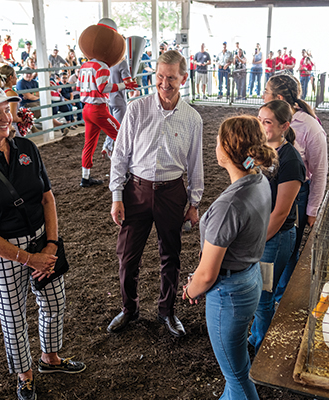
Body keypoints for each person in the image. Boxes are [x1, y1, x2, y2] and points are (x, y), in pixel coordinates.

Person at [0, 82, 86, 400]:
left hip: (42, 243)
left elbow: (47, 198)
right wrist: (30, 259)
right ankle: (24, 374)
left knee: (54, 303)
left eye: (6, 109)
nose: (5, 117)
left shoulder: (27, 148)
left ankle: (50, 358)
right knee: (13, 317)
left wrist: (51, 246)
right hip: (2, 254)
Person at [107, 50, 203, 338]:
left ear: (183, 78)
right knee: (127, 256)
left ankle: (167, 311)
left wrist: (194, 202)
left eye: (171, 77)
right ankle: (128, 308)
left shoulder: (192, 119)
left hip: (172, 191)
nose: (165, 83)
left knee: (171, 255)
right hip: (135, 190)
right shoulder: (137, 109)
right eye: (160, 76)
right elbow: (120, 155)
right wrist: (117, 195)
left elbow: (195, 163)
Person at [182, 115, 276, 399]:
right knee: (236, 362)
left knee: (236, 374)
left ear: (225, 150)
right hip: (248, 279)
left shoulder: (230, 204)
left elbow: (208, 273)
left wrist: (191, 289)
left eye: (217, 141)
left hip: (228, 292)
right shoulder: (258, 180)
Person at [261, 74, 328, 310]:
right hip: (267, 189)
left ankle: (281, 298)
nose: (262, 96)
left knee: (289, 249)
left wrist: (312, 210)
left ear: (278, 98)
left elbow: (319, 170)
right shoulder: (267, 122)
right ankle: (271, 297)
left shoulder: (310, 126)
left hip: (297, 194)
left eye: (266, 92)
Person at [250, 100, 306, 351]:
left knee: (263, 296)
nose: (262, 126)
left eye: (268, 122)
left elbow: (282, 211)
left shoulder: (291, 160)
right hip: (262, 231)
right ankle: (255, 337)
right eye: (259, 120)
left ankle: (261, 346)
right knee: (260, 293)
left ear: (285, 126)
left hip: (276, 236)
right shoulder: (260, 150)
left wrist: (257, 241)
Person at [75, 18, 137, 188]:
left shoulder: (84, 66)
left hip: (86, 108)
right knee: (122, 136)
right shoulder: (101, 66)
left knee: (89, 143)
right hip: (98, 109)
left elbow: (78, 86)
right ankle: (125, 172)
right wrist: (125, 85)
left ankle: (85, 176)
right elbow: (104, 87)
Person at [101, 57, 132, 158]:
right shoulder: (122, 62)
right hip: (118, 98)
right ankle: (110, 148)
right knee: (119, 128)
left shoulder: (106, 62)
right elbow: (127, 82)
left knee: (113, 125)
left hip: (107, 98)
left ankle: (107, 146)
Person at [0, 65, 25, 137]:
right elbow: (13, 117)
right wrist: (22, 120)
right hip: (11, 128)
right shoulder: (11, 94)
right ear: (11, 77)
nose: (17, 78)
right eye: (15, 75)